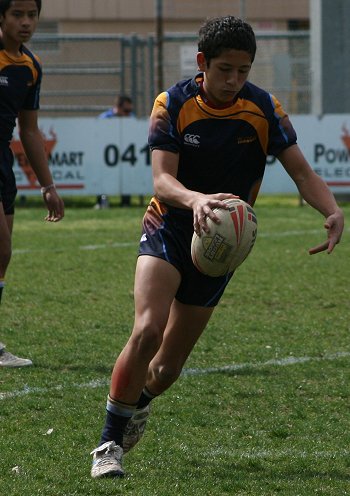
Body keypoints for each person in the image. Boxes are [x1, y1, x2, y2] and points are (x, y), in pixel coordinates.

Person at [90, 16, 344, 478]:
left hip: (220, 248)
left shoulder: (264, 108)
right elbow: (163, 180)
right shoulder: (172, 103)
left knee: (165, 371)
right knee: (148, 329)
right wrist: (196, 199)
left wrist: (330, 210)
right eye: (225, 69)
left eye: (243, 70)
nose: (234, 80)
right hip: (169, 226)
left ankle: (138, 403)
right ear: (202, 62)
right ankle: (109, 443)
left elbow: (303, 174)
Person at [0, 0, 64, 367]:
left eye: (32, 15)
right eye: (17, 15)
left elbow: (28, 129)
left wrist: (47, 185)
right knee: (2, 247)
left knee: (1, 256)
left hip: (3, 163)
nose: (26, 23)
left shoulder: (30, 67)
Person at [96, 95, 134, 208]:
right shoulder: (104, 119)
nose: (128, 114)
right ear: (117, 107)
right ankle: (102, 202)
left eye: (130, 110)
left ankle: (126, 203)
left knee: (126, 175)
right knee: (103, 176)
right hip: (107, 156)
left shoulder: (131, 118)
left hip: (124, 155)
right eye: (126, 110)